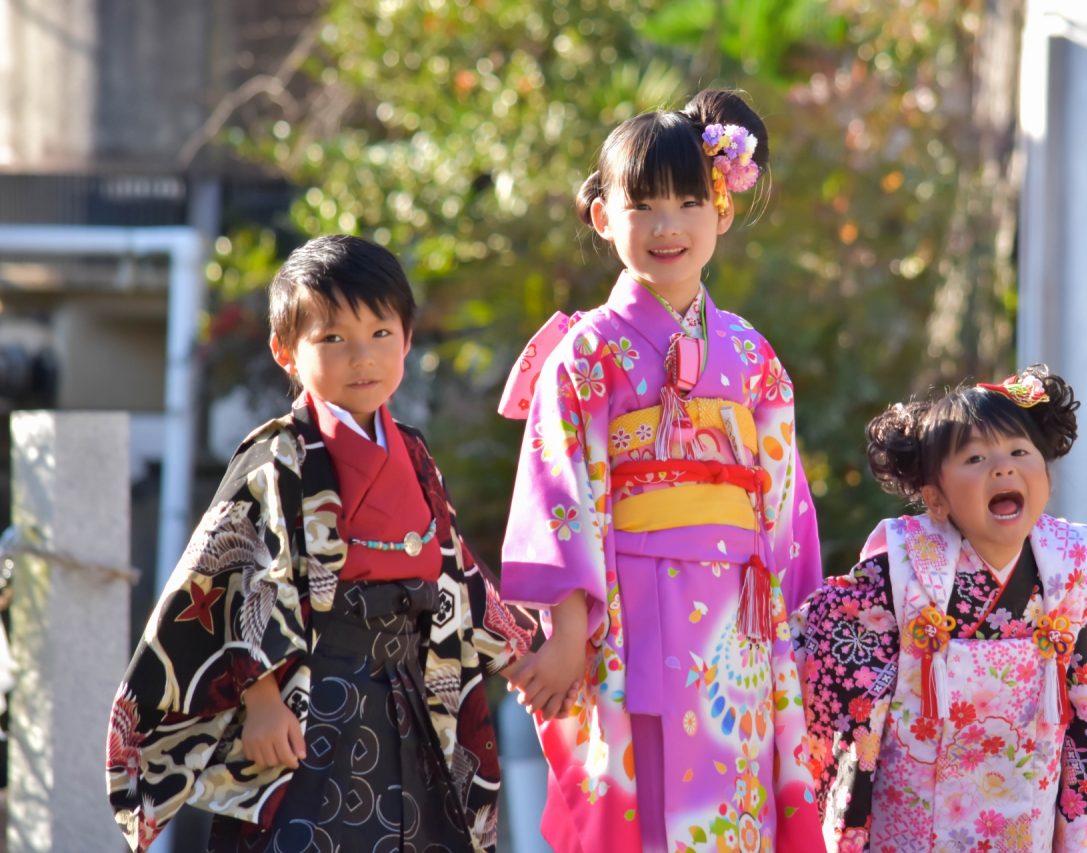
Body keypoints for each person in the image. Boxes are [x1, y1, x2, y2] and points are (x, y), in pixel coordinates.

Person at [105, 235, 537, 852]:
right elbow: (233, 577)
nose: (361, 356)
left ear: (408, 340)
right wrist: (259, 699)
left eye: (381, 334)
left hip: (408, 691)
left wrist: (528, 654)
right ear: (286, 351)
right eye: (333, 338)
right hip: (306, 700)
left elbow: (453, 569)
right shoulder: (277, 454)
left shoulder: (412, 452)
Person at [497, 89, 825, 852]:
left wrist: (798, 637)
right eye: (643, 205)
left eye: (687, 201)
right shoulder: (585, 354)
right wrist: (568, 633)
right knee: (635, 810)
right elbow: (560, 492)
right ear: (603, 216)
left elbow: (784, 508)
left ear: (723, 210)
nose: (668, 225)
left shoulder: (753, 357)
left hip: (735, 636)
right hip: (626, 613)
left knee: (734, 809)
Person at [793, 364, 1087, 851]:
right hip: (915, 815)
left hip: (1025, 813)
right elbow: (823, 633)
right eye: (976, 457)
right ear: (935, 499)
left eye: (1019, 452)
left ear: (1045, 478)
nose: (1003, 468)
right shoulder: (901, 571)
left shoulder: (1071, 567)